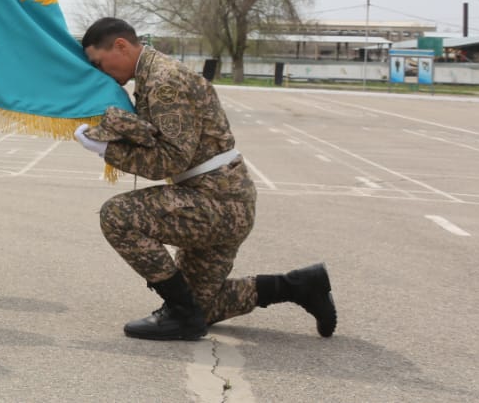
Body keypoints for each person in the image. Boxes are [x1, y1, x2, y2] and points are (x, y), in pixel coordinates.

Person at [75, 17, 336, 342]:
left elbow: (170, 159)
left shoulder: (163, 82)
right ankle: (299, 286)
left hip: (217, 202)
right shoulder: (152, 75)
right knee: (204, 306)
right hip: (218, 196)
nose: (100, 71)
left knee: (117, 216)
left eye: (99, 63)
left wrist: (107, 150)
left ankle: (181, 314)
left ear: (121, 46)